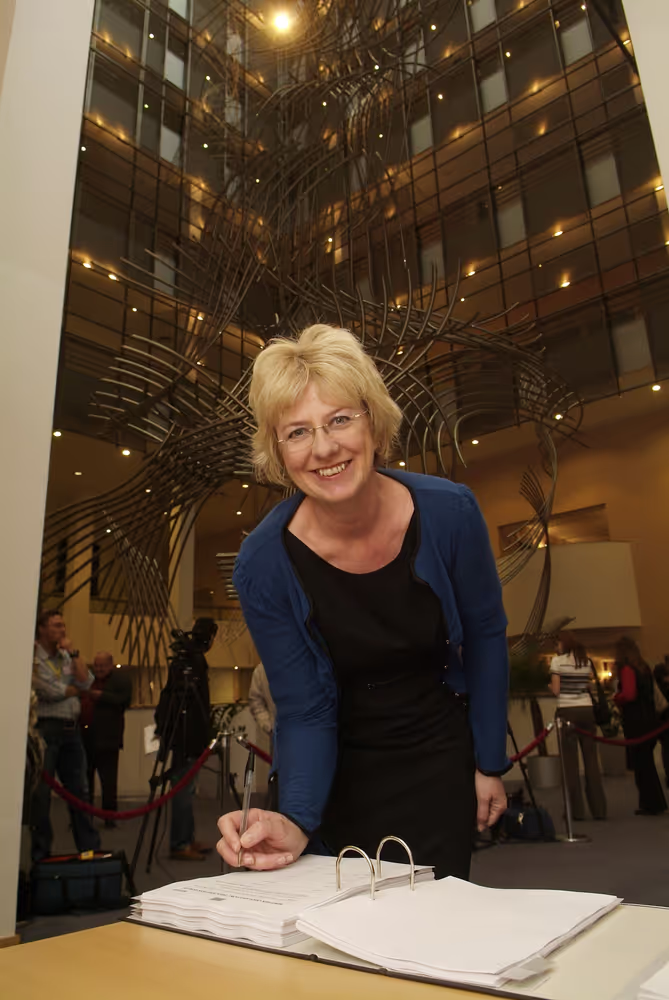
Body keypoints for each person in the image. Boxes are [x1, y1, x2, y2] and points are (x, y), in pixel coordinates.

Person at [216, 324, 509, 879]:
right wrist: (298, 818)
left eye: (340, 419)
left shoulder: (451, 514)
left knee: (431, 939)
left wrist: (490, 762)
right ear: (277, 450)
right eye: (297, 432)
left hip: (436, 759)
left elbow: (486, 636)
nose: (324, 448)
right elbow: (302, 705)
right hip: (331, 772)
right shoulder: (263, 562)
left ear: (373, 419)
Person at [30, 609, 101, 861]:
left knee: (79, 792)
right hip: (45, 730)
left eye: (63, 625)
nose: (62, 629)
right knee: (40, 796)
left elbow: (86, 682)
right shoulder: (33, 659)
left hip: (72, 732)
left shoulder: (65, 656)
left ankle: (89, 851)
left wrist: (73, 653)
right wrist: (73, 689)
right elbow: (49, 691)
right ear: (42, 629)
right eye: (56, 625)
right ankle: (41, 855)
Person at [155, 618, 216, 860]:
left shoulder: (189, 659)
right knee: (183, 790)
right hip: (186, 737)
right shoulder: (194, 661)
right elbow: (194, 703)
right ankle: (180, 843)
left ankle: (187, 838)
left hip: (184, 735)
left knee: (187, 790)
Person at [549, 632, 606, 821]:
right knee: (591, 762)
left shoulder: (557, 662)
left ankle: (576, 811)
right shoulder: (586, 661)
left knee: (570, 764)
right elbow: (587, 686)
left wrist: (551, 687)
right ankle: (599, 809)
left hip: (567, 712)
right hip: (587, 711)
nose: (555, 646)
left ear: (563, 644)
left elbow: (557, 690)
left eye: (557, 643)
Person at [80, 652, 132, 828]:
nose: (99, 669)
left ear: (111, 665)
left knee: (108, 781)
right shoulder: (89, 680)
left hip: (108, 740)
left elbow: (124, 700)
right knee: (85, 780)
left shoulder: (121, 680)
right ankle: (85, 816)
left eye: (102, 666)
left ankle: (109, 816)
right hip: (86, 738)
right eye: (96, 666)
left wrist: (100, 696)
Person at [615, 636, 667, 815]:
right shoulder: (644, 668)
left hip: (636, 723)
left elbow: (629, 695)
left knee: (642, 765)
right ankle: (655, 802)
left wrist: (617, 698)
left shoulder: (628, 669)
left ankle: (651, 803)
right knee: (647, 764)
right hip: (650, 720)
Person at [248, 662, 276, 738]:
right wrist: (268, 726)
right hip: (277, 733)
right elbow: (255, 701)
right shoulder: (261, 670)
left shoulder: (305, 662)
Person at [653, 655, 669, 786]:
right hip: (665, 720)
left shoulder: (659, 684)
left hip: (663, 721)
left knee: (666, 749)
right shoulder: (662, 684)